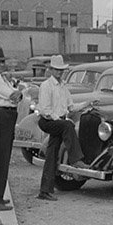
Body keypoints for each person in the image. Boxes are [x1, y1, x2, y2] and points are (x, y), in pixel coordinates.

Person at [36, 55, 85, 201]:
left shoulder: (63, 87)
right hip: (48, 121)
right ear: (51, 70)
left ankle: (44, 191)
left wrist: (86, 104)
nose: (59, 73)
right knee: (68, 126)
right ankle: (76, 159)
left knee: (52, 154)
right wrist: (61, 120)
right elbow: (45, 110)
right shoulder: (46, 86)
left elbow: (71, 106)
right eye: (56, 70)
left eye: (61, 70)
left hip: (58, 123)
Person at [0, 46, 22, 214]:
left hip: (6, 115)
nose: (0, 64)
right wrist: (19, 92)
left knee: (3, 157)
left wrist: (16, 91)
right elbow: (14, 96)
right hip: (2, 115)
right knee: (0, 158)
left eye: (2, 61)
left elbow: (14, 93)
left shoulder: (1, 77)